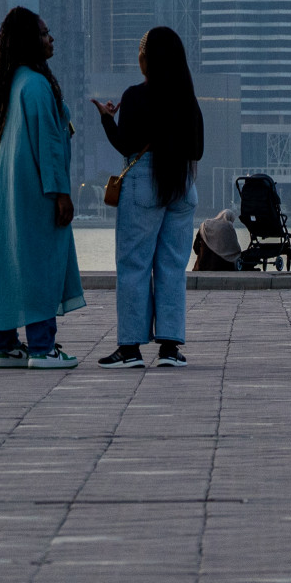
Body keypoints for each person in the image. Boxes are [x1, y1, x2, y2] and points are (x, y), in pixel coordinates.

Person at [0, 6, 85, 370]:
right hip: (34, 195)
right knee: (39, 265)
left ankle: (5, 346)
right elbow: (49, 146)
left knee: (6, 264)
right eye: (44, 34)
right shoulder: (36, 85)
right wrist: (61, 194)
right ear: (30, 41)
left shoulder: (7, 85)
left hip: (3, 197)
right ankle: (43, 348)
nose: (51, 39)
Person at [92, 26, 205, 369]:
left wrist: (107, 121)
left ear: (148, 59)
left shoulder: (135, 96)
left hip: (144, 183)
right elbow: (197, 151)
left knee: (135, 266)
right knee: (172, 267)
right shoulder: (187, 99)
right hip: (181, 184)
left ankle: (130, 350)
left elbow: (126, 145)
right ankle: (170, 348)